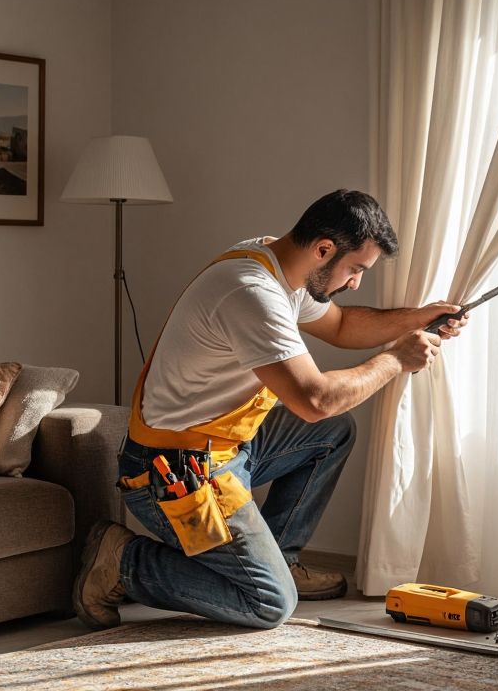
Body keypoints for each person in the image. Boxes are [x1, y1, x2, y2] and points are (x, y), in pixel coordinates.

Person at [72, 189, 467, 630]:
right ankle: (123, 560)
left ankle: (280, 557)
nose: (356, 282)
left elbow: (341, 325)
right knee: (268, 603)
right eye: (355, 269)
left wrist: (417, 317)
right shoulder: (251, 291)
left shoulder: (280, 265)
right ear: (323, 249)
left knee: (332, 433)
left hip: (225, 444)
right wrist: (396, 359)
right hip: (176, 471)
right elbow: (315, 399)